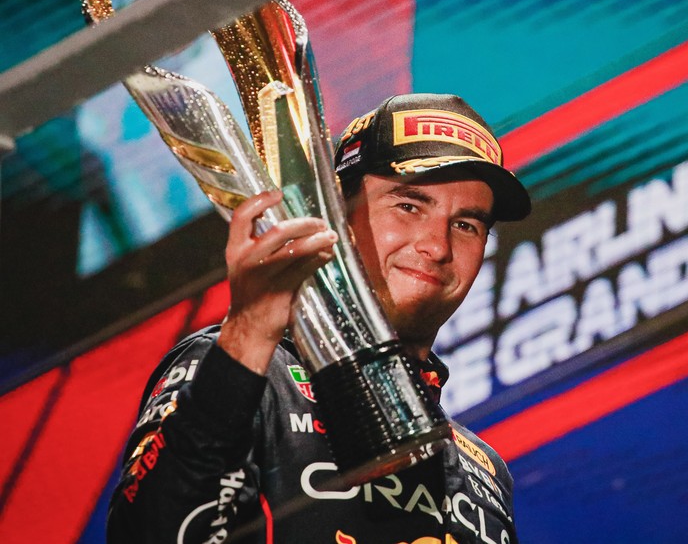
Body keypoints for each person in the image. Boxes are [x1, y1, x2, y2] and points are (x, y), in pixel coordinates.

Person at [107, 93, 532, 544]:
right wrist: (249, 333)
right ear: (336, 217)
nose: (438, 246)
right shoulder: (250, 371)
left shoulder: (482, 469)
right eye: (409, 206)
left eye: (467, 224)